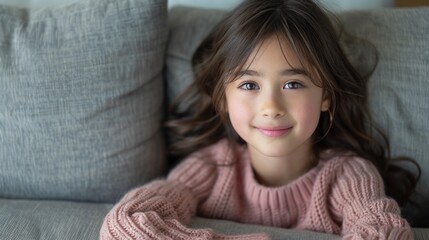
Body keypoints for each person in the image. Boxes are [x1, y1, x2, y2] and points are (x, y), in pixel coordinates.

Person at [100, 0, 420, 239]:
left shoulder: (347, 177)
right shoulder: (211, 169)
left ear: (326, 96)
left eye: (293, 84)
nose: (271, 106)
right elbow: (125, 223)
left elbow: (383, 232)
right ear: (223, 99)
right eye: (249, 85)